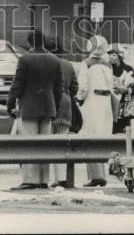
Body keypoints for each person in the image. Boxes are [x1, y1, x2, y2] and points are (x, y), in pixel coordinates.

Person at [6, 29, 64, 191]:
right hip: (48, 107)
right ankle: (43, 179)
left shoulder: (24, 60)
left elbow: (17, 85)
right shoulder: (54, 60)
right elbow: (59, 88)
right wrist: (56, 107)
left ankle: (30, 179)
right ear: (44, 42)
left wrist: (10, 104)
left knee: (29, 143)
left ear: (30, 43)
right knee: (45, 145)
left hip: (29, 107)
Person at [76, 36, 114, 187]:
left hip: (92, 102)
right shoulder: (108, 65)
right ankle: (102, 173)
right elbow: (111, 84)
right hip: (106, 102)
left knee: (90, 136)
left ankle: (95, 176)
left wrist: (79, 99)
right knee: (104, 136)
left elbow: (83, 86)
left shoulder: (86, 64)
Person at [49, 45, 78, 190]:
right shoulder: (68, 64)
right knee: (63, 139)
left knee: (52, 142)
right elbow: (74, 87)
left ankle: (58, 178)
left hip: (53, 102)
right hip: (66, 103)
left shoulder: (50, 63)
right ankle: (64, 177)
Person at [108, 47, 134, 135]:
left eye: (113, 55)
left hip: (124, 105)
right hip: (109, 104)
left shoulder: (128, 69)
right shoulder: (106, 68)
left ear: (120, 57)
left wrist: (127, 89)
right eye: (109, 55)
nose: (110, 57)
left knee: (124, 132)